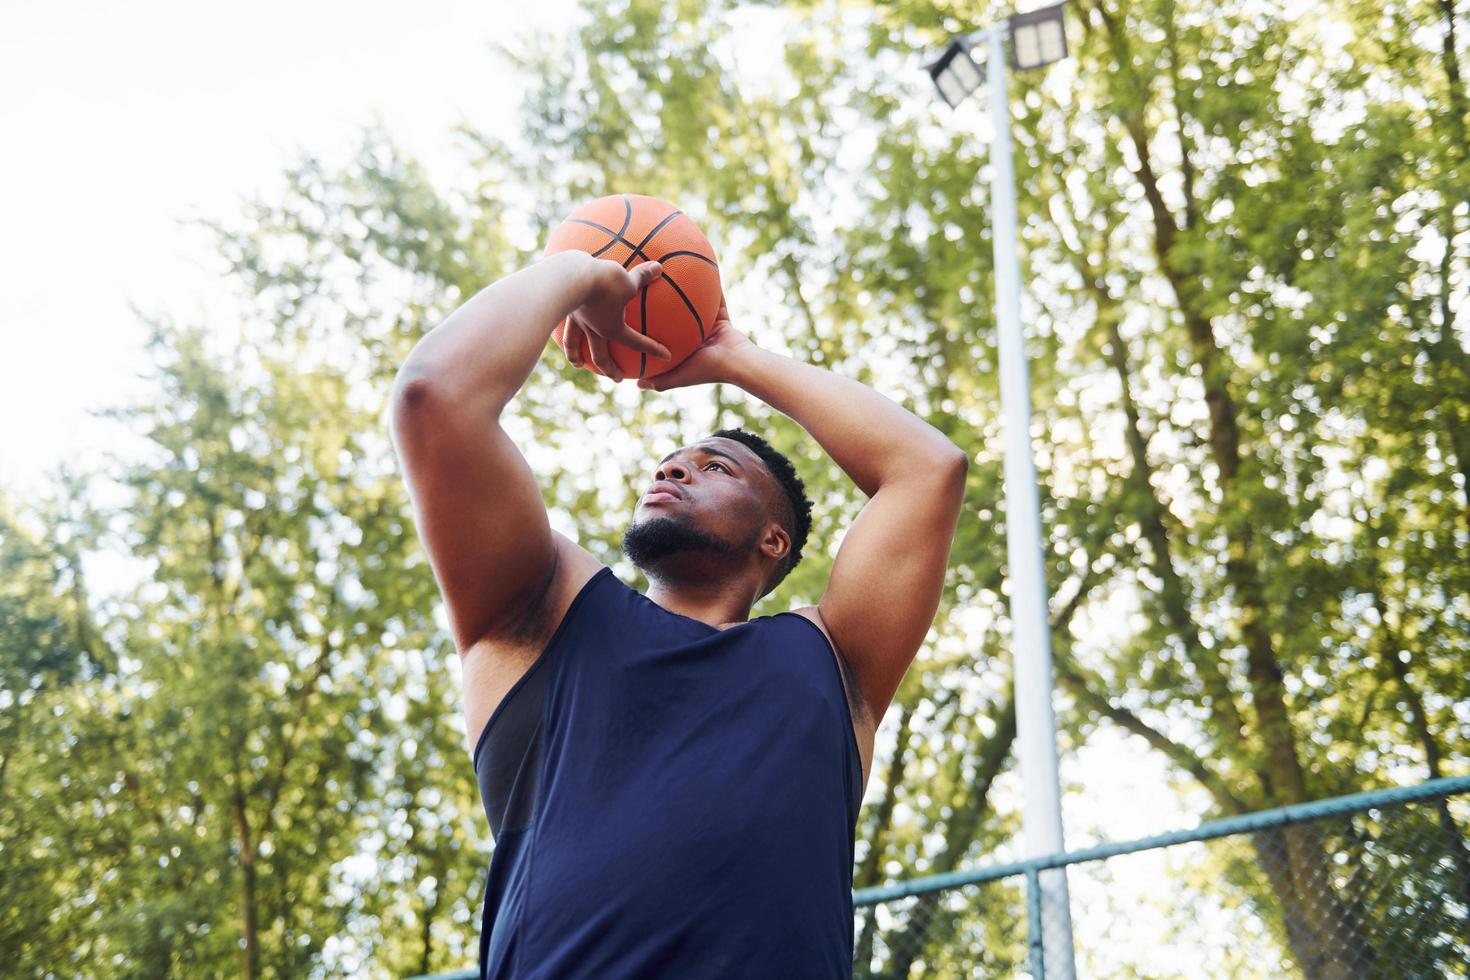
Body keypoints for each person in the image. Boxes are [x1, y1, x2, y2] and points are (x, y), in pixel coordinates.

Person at [388, 249, 968, 978]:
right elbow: (433, 398)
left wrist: (732, 354)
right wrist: (583, 274)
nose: (671, 469)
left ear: (774, 539)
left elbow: (928, 468)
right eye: (670, 461)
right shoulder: (545, 612)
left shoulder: (834, 658)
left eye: (715, 466)